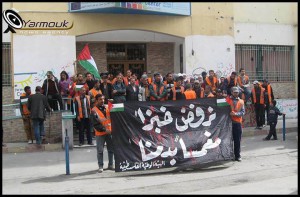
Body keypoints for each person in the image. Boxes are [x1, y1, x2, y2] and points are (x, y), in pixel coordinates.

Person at [91, 94, 114, 173]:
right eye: (100, 99)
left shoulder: (107, 107)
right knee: (100, 150)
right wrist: (104, 130)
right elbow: (95, 123)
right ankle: (100, 166)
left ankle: (111, 165)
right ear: (96, 100)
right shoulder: (94, 110)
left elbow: (115, 112)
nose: (102, 101)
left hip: (109, 132)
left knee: (111, 149)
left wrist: (113, 103)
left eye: (103, 99)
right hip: (100, 133)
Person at [228, 86, 245, 162]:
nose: (236, 93)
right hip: (228, 124)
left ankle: (237, 156)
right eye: (234, 92)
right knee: (228, 140)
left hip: (237, 123)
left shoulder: (241, 101)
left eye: (237, 92)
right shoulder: (227, 100)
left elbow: (243, 112)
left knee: (237, 140)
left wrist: (235, 114)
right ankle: (229, 155)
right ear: (232, 92)